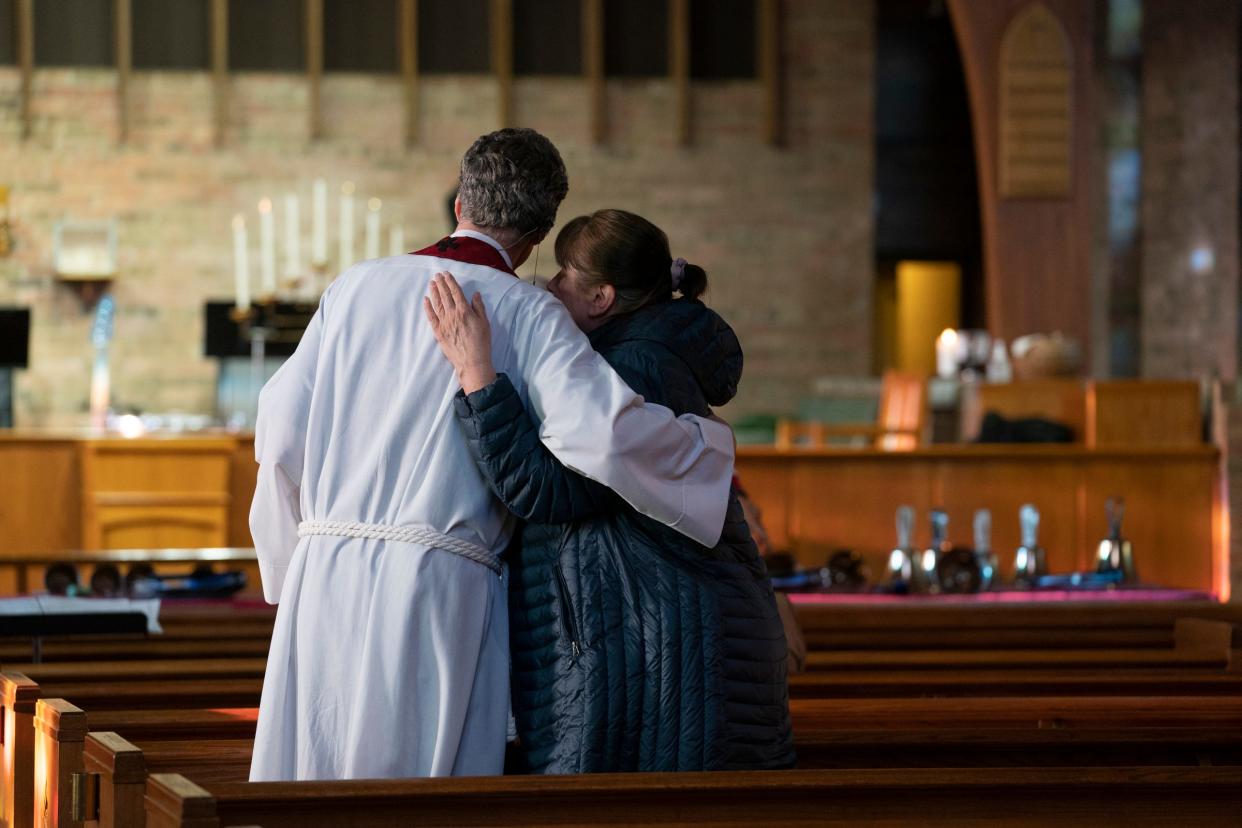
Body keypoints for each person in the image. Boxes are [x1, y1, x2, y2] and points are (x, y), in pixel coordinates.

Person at [248, 130, 736, 782]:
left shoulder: (354, 288)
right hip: (437, 588)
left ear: (460, 202)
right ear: (539, 234)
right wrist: (701, 452)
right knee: (418, 792)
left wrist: (291, 568)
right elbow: (607, 434)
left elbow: (280, 429)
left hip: (324, 576)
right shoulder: (528, 310)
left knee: (313, 783)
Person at [425, 209, 795, 773]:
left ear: (600, 297)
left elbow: (553, 491)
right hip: (660, 637)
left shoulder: (632, 366)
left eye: (563, 275)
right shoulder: (643, 353)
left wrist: (478, 376)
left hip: (663, 648)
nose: (549, 288)